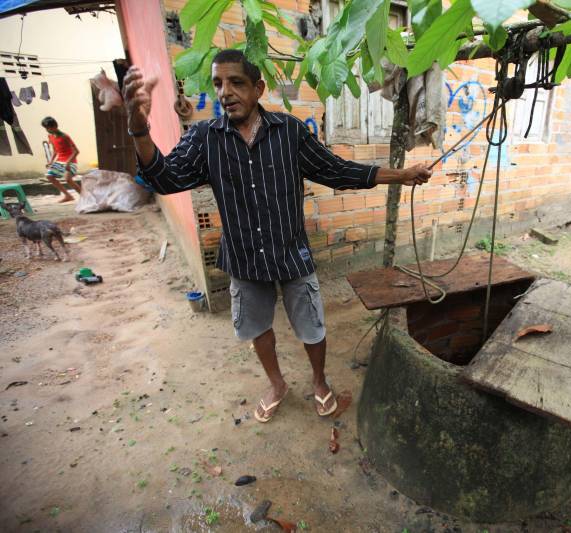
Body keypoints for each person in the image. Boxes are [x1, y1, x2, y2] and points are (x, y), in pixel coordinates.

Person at [122, 49, 431, 423]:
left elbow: (336, 171)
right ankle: (277, 384)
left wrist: (401, 174)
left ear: (258, 88)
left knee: (312, 326)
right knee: (257, 328)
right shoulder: (206, 138)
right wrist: (139, 128)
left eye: (236, 82)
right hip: (244, 257)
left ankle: (319, 382)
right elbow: (165, 178)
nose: (225, 92)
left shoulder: (289, 132)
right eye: (219, 83)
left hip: (291, 254)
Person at [41, 116, 81, 202]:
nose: (48, 129)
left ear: (55, 126)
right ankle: (68, 196)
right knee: (49, 176)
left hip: (70, 161)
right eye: (46, 128)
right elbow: (55, 150)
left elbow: (76, 151)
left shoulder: (65, 136)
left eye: (49, 127)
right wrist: (51, 161)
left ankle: (85, 197)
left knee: (67, 179)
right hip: (60, 161)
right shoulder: (50, 136)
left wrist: (68, 163)